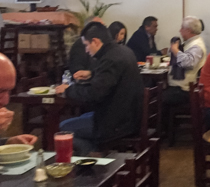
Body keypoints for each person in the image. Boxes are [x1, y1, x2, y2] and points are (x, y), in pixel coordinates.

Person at [55, 22, 144, 156]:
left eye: (86, 45)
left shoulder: (110, 59)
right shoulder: (123, 51)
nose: (86, 50)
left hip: (117, 123)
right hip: (129, 116)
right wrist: (92, 74)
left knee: (64, 128)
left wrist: (67, 90)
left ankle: (94, 159)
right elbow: (110, 80)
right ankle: (95, 153)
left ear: (96, 42)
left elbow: (94, 94)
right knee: (84, 117)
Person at [162, 16, 207, 116]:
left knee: (158, 100)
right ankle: (168, 124)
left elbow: (188, 63)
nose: (180, 31)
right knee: (160, 94)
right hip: (180, 87)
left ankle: (164, 126)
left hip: (185, 90)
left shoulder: (197, 46)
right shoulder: (189, 43)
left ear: (188, 30)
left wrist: (175, 50)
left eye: (182, 28)